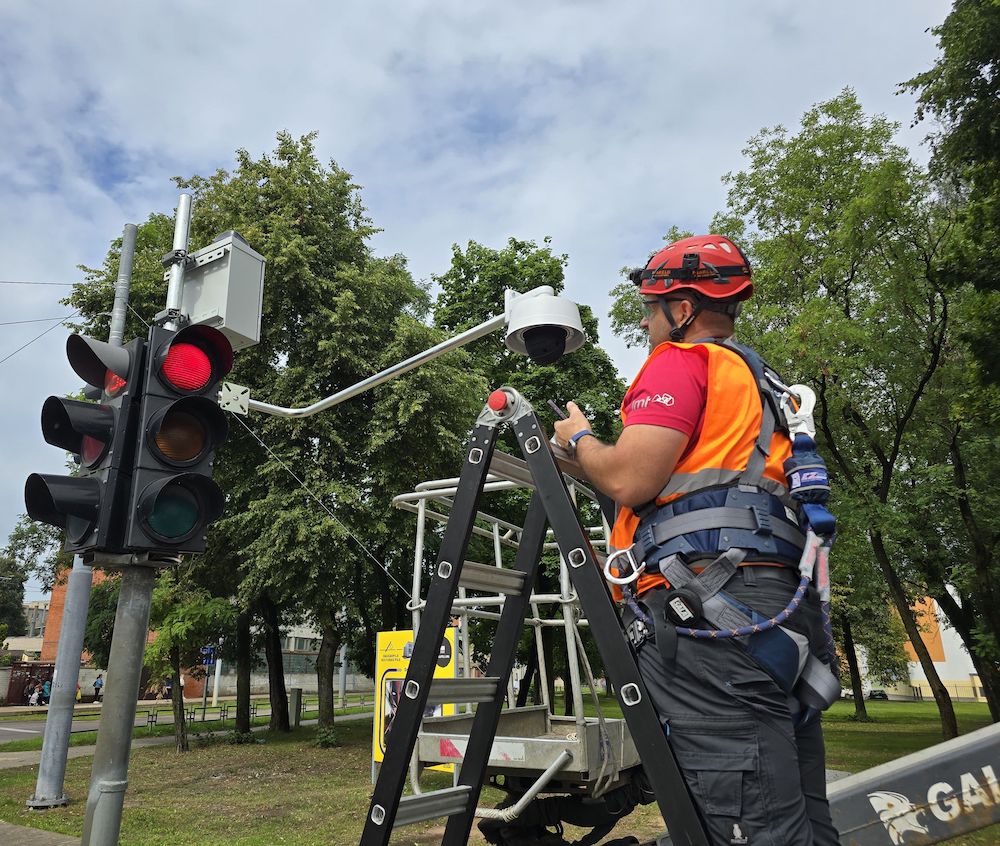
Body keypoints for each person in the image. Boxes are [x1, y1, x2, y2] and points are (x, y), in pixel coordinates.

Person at [553, 234, 839, 846]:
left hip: (712, 617)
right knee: (800, 821)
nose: (645, 322)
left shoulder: (681, 362)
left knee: (751, 824)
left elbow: (631, 477)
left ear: (681, 310)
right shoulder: (759, 384)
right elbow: (689, 487)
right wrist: (585, 463)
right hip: (772, 609)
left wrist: (580, 438)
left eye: (650, 309)